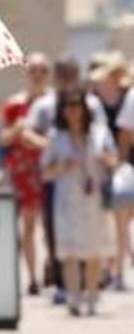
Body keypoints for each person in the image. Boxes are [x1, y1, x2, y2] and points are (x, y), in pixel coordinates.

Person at [28, 56, 105, 305]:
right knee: (58, 236)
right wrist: (58, 153)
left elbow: (103, 138)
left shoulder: (92, 103)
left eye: (70, 71)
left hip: (90, 187)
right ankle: (66, 287)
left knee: (93, 242)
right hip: (61, 183)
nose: (66, 76)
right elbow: (28, 133)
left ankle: (91, 288)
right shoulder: (45, 105)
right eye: (62, 72)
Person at [40, 89, 117, 316]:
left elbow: (113, 160)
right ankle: (73, 298)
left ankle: (92, 296)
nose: (73, 112)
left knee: (93, 251)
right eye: (68, 107)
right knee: (69, 251)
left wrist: (106, 160)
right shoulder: (56, 137)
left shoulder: (99, 132)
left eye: (77, 107)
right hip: (67, 200)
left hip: (92, 199)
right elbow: (45, 172)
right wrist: (62, 166)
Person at [0, 54, 50, 295]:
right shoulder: (14, 104)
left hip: (49, 169)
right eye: (33, 71)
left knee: (50, 224)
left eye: (42, 70)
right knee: (27, 225)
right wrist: (18, 128)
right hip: (22, 171)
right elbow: (3, 140)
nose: (38, 75)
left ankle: (51, 269)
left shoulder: (55, 103)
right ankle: (32, 276)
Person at [89, 51, 133, 290]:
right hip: (103, 164)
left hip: (124, 166)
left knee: (123, 220)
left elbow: (126, 134)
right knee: (113, 221)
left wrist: (120, 162)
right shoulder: (95, 99)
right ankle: (113, 269)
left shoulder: (127, 96)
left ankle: (118, 268)